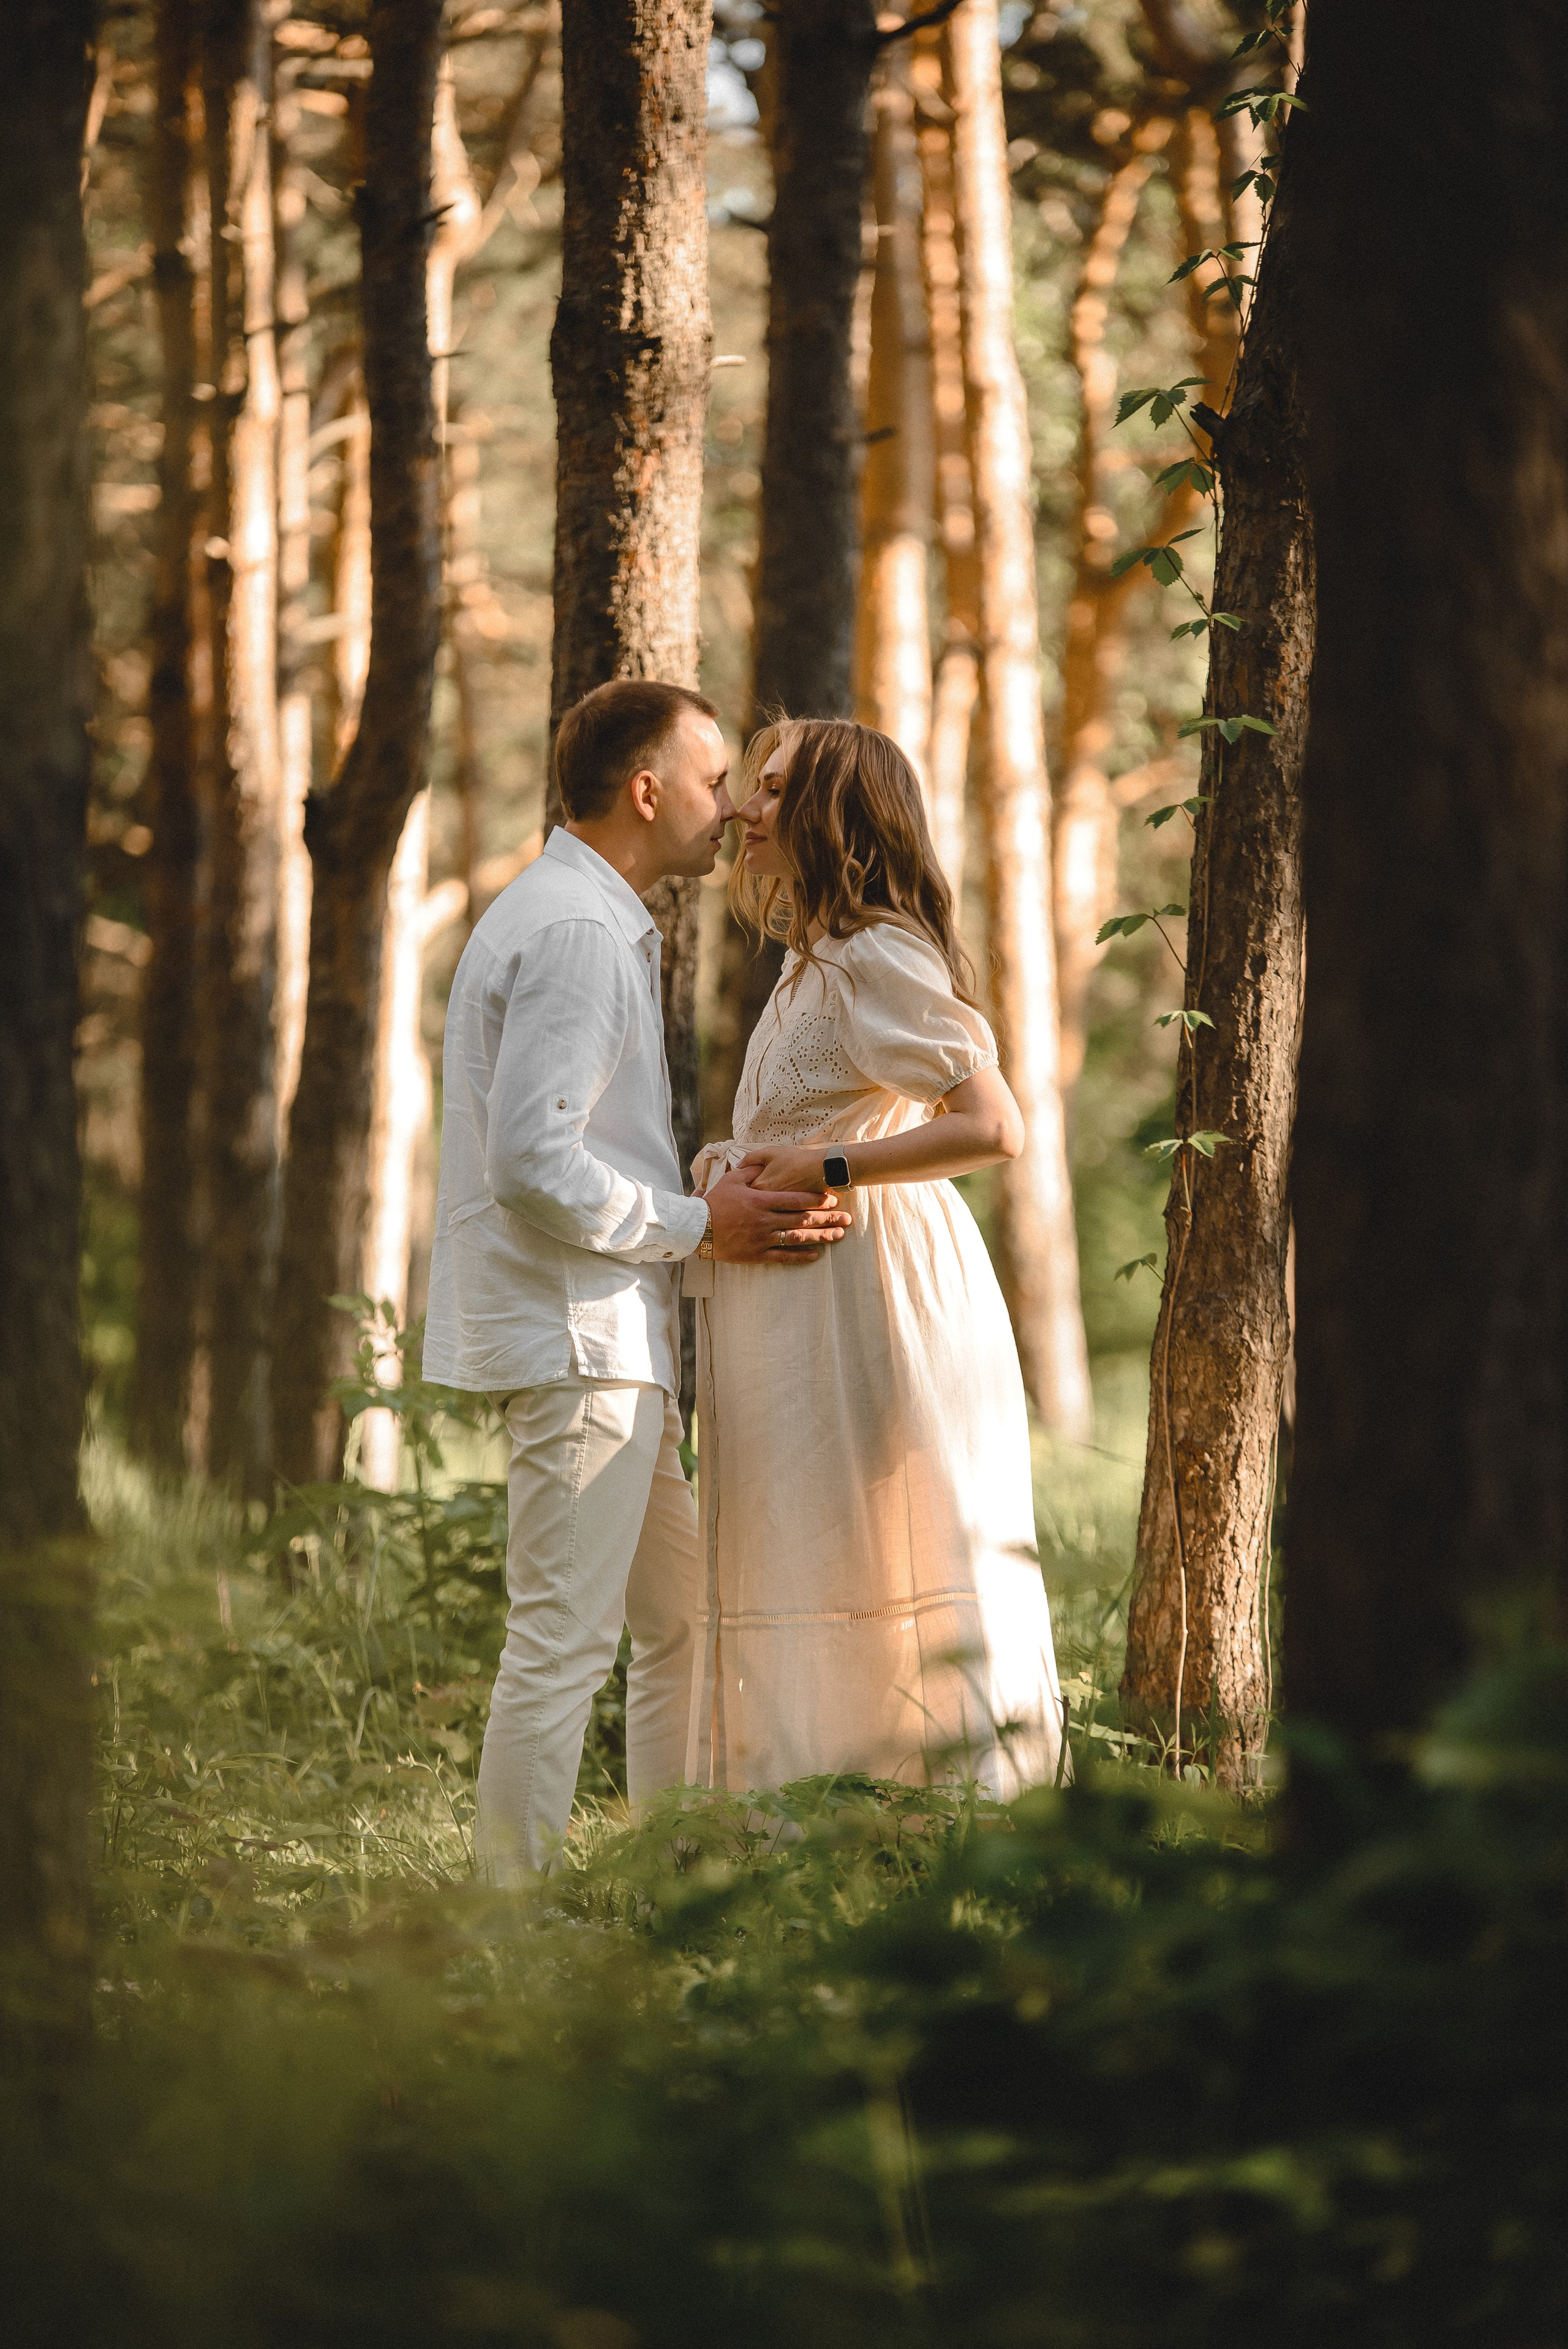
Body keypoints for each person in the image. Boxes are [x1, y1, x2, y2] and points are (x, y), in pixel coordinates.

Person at [424, 680, 851, 1880]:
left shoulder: (583, 915)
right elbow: (530, 1162)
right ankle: (509, 1923)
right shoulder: (572, 929)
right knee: (562, 1640)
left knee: (678, 1621)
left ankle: (662, 1875)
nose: (734, 808)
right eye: (715, 782)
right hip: (580, 1342)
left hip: (611, 1336)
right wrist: (700, 1223)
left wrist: (693, 1194)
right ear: (647, 790)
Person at [684, 718, 1069, 1798]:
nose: (745, 808)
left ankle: (950, 1810)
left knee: (898, 1538)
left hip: (877, 1285)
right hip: (807, 1294)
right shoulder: (808, 960)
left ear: (834, 813)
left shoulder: (876, 954)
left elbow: (994, 1127)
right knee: (822, 1543)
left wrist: (831, 1165)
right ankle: (836, 1807)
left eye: (773, 789)